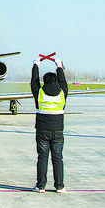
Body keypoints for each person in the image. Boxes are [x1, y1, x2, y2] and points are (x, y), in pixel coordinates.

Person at [31, 56, 68, 193]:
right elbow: (64, 83)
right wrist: (59, 66)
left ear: (44, 82)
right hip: (58, 131)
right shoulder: (62, 93)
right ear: (56, 81)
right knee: (58, 158)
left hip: (42, 131)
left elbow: (34, 82)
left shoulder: (39, 93)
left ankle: (41, 186)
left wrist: (36, 65)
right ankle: (60, 186)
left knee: (42, 158)